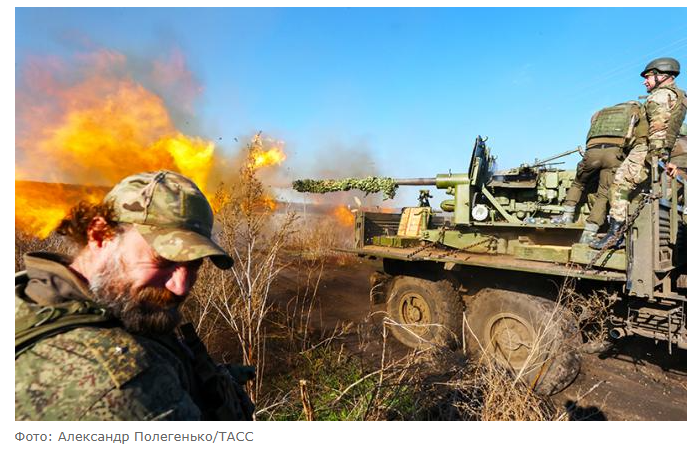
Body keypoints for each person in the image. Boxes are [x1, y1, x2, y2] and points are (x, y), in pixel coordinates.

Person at [15, 170, 254, 420]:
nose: (181, 287)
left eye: (195, 264)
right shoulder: (128, 387)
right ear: (100, 235)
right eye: (164, 260)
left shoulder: (37, 293)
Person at [591, 57, 687, 249]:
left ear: (662, 76)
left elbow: (659, 128)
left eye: (648, 77)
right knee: (638, 190)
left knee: (619, 184)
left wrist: (656, 157)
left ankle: (615, 235)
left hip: (647, 149)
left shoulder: (659, 96)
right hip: (657, 151)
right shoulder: (677, 96)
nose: (645, 81)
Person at [553, 101, 647, 244]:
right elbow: (640, 137)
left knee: (578, 183)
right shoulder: (636, 110)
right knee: (603, 194)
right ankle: (589, 232)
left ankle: (567, 215)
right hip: (615, 154)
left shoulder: (601, 112)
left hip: (593, 152)